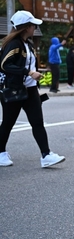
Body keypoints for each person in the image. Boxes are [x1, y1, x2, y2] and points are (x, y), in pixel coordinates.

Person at [0, 11, 66, 168]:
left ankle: (46, 155)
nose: (35, 28)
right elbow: (4, 65)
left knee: (37, 122)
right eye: (33, 25)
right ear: (26, 27)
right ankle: (0, 152)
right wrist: (28, 73)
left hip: (30, 90)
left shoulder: (28, 44)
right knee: (8, 122)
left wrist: (34, 77)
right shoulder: (14, 44)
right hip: (14, 89)